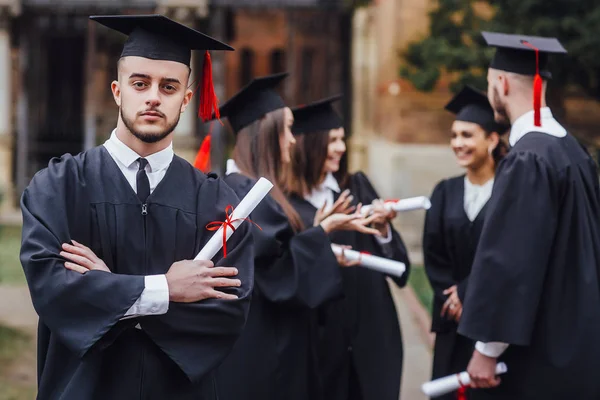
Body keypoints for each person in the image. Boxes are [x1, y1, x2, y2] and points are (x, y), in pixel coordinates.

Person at [19, 15, 254, 400]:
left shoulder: (219, 204)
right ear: (117, 90)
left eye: (169, 86)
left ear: (187, 99)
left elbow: (227, 313)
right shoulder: (59, 187)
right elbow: (54, 292)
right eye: (140, 83)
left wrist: (106, 291)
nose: (153, 97)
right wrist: (167, 290)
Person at [213, 74, 381, 400]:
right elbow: (277, 275)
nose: (292, 139)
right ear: (265, 130)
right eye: (287, 128)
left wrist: (319, 234)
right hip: (264, 354)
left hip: (272, 346)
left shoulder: (250, 191)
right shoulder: (245, 195)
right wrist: (321, 236)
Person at [457, 32, 600, 399]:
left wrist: (485, 351)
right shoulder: (573, 150)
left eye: (490, 84)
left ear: (500, 84)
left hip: (540, 351)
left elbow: (511, 260)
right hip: (578, 339)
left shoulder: (528, 158)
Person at [286, 95, 411, 400]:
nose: (342, 148)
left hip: (373, 338)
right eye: (333, 140)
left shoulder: (356, 188)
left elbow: (402, 269)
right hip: (321, 344)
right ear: (308, 144)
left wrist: (383, 230)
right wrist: (318, 233)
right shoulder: (287, 206)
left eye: (342, 139)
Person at [423, 85, 509, 400]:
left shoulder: (509, 195)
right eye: (454, 136)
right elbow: (433, 257)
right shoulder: (444, 191)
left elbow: (509, 256)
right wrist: (452, 297)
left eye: (467, 135)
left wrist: (468, 293)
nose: (458, 144)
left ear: (492, 139)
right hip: (452, 324)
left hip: (494, 323)